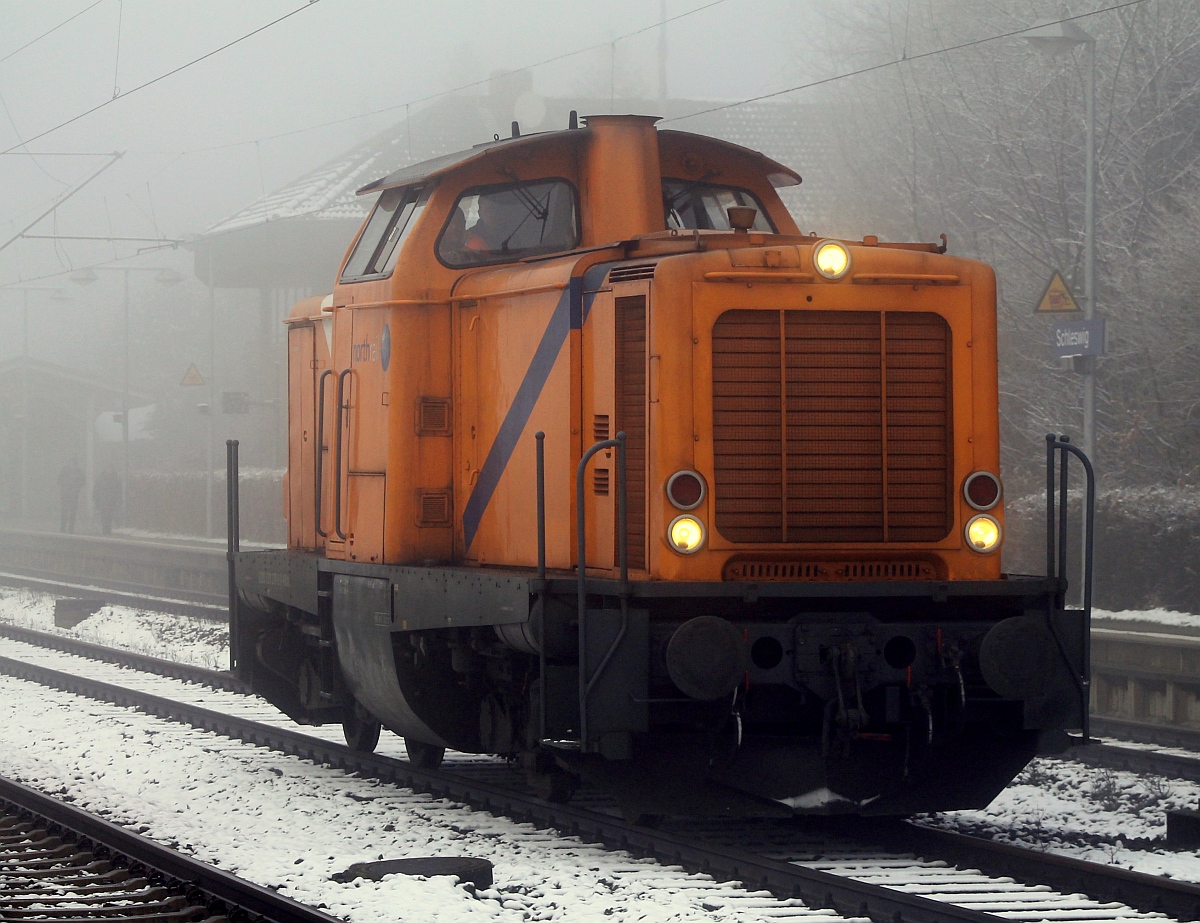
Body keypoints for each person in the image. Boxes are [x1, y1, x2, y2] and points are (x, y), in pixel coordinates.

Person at [57, 459, 85, 534]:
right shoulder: (64, 471)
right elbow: (59, 480)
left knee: (73, 512)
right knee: (64, 511)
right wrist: (65, 486)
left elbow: (83, 482)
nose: (73, 465)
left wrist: (77, 487)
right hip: (65, 494)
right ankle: (63, 527)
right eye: (72, 463)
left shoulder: (79, 472)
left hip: (74, 495)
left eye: (74, 464)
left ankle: (71, 527)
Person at [93, 467, 121, 536]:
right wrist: (95, 499)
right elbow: (96, 489)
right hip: (103, 500)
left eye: (111, 469)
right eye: (109, 469)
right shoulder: (101, 479)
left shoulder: (115, 479)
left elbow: (118, 491)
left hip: (111, 501)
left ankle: (108, 529)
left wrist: (118, 500)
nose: (110, 470)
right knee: (104, 515)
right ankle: (104, 529)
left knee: (110, 515)